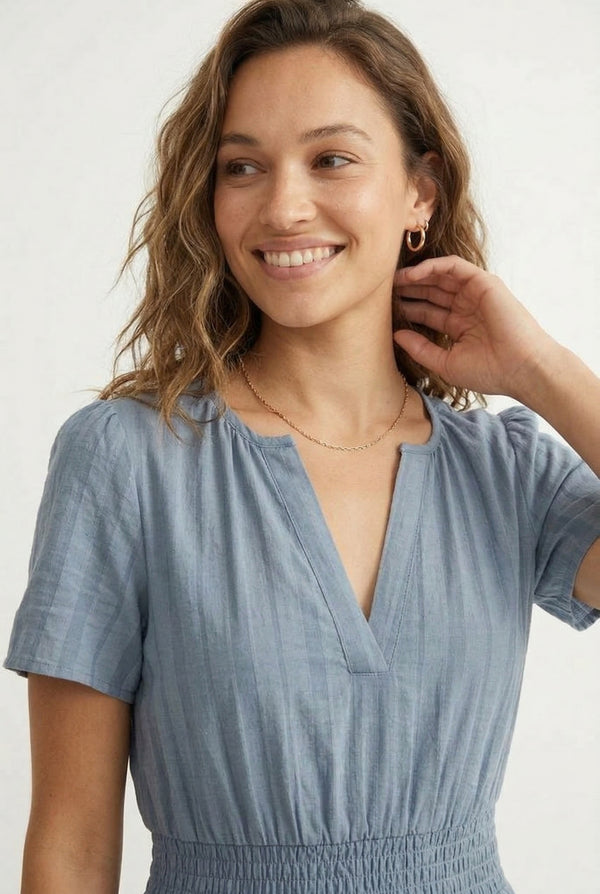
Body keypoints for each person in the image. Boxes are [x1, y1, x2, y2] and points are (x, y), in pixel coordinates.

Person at [4, 0, 600, 891]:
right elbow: (71, 842)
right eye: (243, 166)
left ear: (419, 193)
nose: (283, 206)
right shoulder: (128, 459)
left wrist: (542, 367)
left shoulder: (506, 470)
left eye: (331, 159)